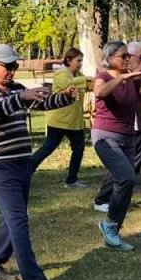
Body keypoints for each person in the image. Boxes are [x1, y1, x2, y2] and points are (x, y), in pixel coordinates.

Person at [0, 44, 78, 280]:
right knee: (19, 220)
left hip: (22, 164)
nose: (12, 71)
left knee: (14, 218)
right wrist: (21, 98)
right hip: (0, 165)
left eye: (15, 66)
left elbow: (43, 102)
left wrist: (65, 97)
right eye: (7, 66)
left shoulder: (18, 90)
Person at [92, 41, 141, 252]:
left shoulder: (134, 81)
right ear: (110, 59)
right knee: (126, 177)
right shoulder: (103, 77)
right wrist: (121, 78)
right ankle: (109, 224)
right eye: (123, 56)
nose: (127, 59)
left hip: (127, 137)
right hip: (105, 137)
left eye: (128, 56)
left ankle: (112, 230)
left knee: (126, 183)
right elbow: (100, 93)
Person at [29, 48, 91, 188]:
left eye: (81, 60)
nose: (81, 63)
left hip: (74, 122)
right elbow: (69, 84)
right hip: (59, 120)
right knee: (48, 148)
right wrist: (87, 79)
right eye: (78, 60)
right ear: (69, 60)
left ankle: (72, 180)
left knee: (79, 148)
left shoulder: (78, 74)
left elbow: (88, 83)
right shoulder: (61, 73)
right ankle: (26, 170)